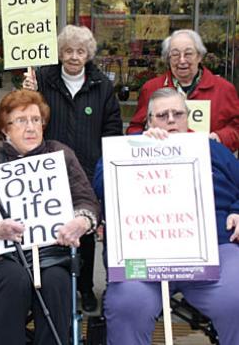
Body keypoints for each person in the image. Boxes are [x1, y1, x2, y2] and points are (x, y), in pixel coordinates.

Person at [94, 88, 239, 345]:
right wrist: (140, 149)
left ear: (187, 118)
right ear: (149, 121)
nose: (171, 120)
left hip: (215, 248)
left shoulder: (212, 150)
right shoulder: (128, 148)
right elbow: (102, 185)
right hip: (145, 253)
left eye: (178, 114)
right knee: (127, 304)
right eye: (162, 115)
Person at [0, 89, 100, 344]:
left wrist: (81, 221)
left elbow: (86, 199)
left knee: (56, 282)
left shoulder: (60, 154)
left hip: (50, 253)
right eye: (21, 121)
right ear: (5, 129)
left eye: (36, 120)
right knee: (15, 279)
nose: (31, 127)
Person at [23, 24, 122, 311]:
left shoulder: (102, 85)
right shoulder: (42, 78)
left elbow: (112, 128)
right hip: (48, 168)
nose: (74, 57)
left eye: (80, 51)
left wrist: (106, 167)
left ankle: (85, 287)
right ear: (60, 52)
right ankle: (56, 286)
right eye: (68, 50)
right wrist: (29, 93)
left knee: (84, 231)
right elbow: (27, 117)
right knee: (50, 229)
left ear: (89, 54)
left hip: (87, 171)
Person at [126, 29, 239, 152]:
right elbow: (134, 129)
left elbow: (236, 128)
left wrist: (218, 138)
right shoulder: (151, 88)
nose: (182, 60)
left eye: (188, 54)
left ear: (199, 56)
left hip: (209, 161)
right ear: (167, 58)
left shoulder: (223, 89)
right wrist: (147, 136)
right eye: (175, 54)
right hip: (164, 163)